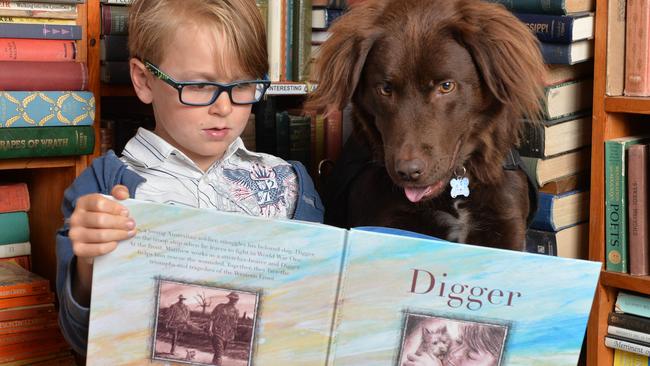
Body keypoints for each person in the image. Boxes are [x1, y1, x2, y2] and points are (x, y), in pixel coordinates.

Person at [55, 0, 323, 356]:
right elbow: (82, 337)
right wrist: (89, 262)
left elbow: (314, 310)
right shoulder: (105, 188)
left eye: (243, 85)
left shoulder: (290, 184)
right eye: (199, 86)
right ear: (143, 80)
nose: (224, 108)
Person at [207, 292, 240, 365]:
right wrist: (210, 329)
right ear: (230, 299)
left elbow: (234, 325)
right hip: (217, 331)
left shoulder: (236, 311)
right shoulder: (220, 307)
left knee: (220, 351)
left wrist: (233, 334)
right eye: (233, 299)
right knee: (219, 351)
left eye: (236, 300)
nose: (234, 301)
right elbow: (212, 318)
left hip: (227, 334)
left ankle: (213, 363)